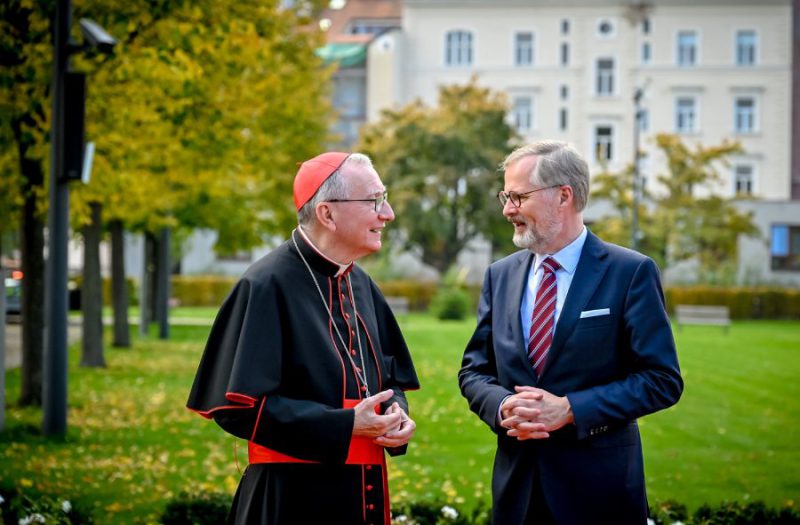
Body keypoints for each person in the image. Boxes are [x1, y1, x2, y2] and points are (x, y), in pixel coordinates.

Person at [187, 152, 419, 525]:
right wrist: (345, 425)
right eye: (374, 200)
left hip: (363, 493)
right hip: (289, 499)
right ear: (327, 214)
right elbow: (237, 409)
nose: (387, 213)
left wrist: (397, 415)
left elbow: (390, 379)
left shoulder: (360, 283)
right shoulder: (265, 285)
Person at [458, 141, 683, 525]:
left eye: (518, 196)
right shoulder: (501, 275)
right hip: (517, 495)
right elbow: (474, 371)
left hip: (600, 495)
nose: (507, 209)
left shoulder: (630, 272)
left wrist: (570, 410)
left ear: (564, 196)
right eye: (505, 196)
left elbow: (662, 380)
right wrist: (501, 406)